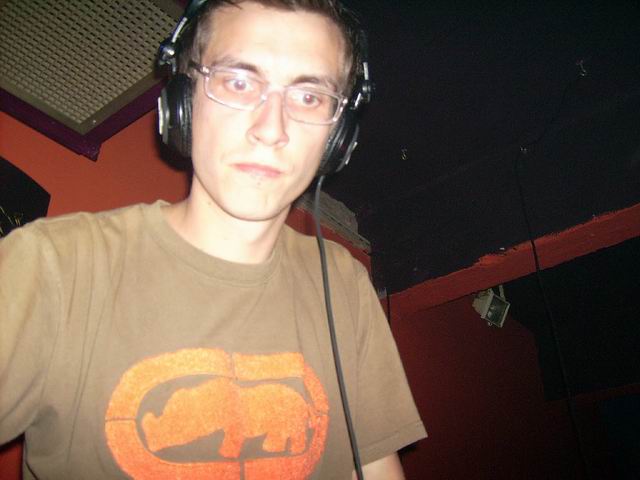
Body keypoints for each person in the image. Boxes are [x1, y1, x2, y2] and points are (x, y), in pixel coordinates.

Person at [0, 0, 426, 478]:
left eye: (309, 97)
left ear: (338, 136)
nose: (271, 130)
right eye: (239, 82)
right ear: (183, 102)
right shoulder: (55, 266)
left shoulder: (344, 283)